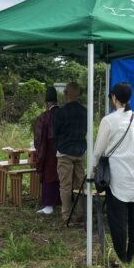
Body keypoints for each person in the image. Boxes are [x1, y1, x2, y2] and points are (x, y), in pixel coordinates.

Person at [93, 82, 134, 266]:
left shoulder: (108, 120)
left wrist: (92, 171)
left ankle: (122, 257)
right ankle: (131, 255)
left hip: (118, 177)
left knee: (118, 220)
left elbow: (98, 150)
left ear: (114, 98)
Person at [53, 82, 87, 224]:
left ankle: (66, 216)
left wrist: (59, 145)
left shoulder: (60, 112)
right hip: (79, 152)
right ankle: (80, 213)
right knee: (80, 185)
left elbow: (55, 132)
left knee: (65, 186)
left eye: (65, 91)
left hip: (65, 152)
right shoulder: (85, 112)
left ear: (67, 93)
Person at [33, 87, 60, 215]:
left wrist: (37, 148)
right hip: (63, 151)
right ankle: (61, 202)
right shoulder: (63, 114)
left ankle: (49, 205)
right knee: (61, 176)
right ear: (57, 101)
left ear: (46, 104)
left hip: (49, 152)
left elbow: (39, 138)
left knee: (49, 175)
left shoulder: (44, 117)